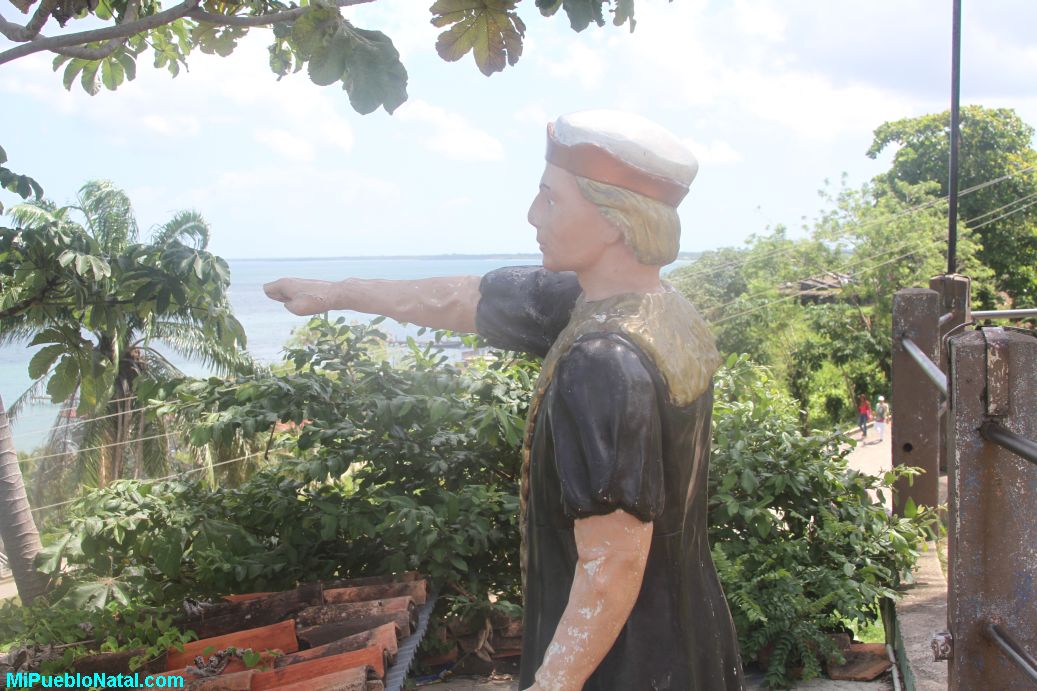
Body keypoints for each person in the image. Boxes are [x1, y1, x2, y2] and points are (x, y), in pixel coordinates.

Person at [264, 110, 745, 691]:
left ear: (616, 220)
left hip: (623, 664)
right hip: (689, 640)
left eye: (550, 199)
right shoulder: (654, 309)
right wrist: (339, 292)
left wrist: (551, 684)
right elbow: (462, 297)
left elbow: (611, 565)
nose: (532, 215)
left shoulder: (602, 363)